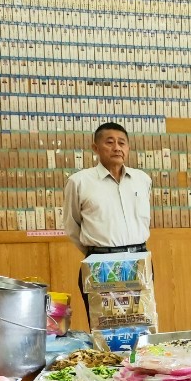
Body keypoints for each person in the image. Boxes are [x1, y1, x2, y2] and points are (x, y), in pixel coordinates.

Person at [63, 122, 153, 325]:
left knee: (141, 325)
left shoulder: (142, 180)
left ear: (128, 148)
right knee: (104, 328)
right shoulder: (79, 182)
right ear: (95, 148)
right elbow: (72, 225)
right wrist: (96, 252)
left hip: (139, 260)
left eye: (122, 143)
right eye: (109, 142)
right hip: (100, 263)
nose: (117, 148)